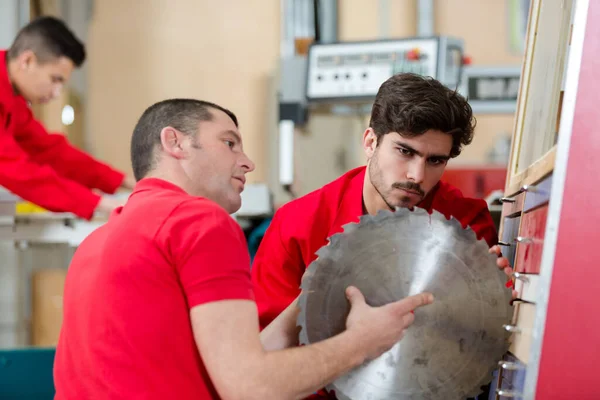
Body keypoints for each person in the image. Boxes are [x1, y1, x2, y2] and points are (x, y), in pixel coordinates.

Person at [53, 98, 434, 399]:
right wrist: (362, 342)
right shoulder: (197, 221)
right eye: (229, 142)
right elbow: (250, 387)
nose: (247, 162)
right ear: (175, 142)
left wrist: (316, 296)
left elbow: (228, 359)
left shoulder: (100, 239)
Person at [250, 73, 515, 399]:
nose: (417, 176)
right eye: (404, 151)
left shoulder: (464, 220)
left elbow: (475, 348)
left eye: (435, 160)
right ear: (370, 142)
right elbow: (266, 361)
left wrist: (489, 304)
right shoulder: (297, 225)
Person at [0, 16, 133, 220]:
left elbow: (50, 151)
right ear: (27, 61)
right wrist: (101, 203)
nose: (56, 92)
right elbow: (17, 170)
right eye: (55, 80)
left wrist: (125, 182)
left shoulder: (12, 97)